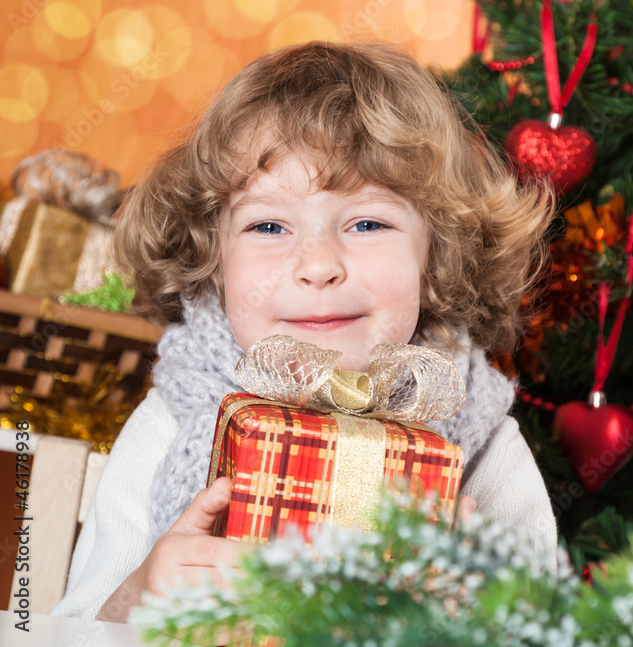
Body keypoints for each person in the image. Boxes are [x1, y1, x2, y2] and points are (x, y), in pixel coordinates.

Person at [52, 41, 558, 622]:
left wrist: (480, 620)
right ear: (212, 259)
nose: (318, 265)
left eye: (368, 222)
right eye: (268, 225)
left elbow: (545, 624)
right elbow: (69, 627)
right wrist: (137, 596)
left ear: (437, 255)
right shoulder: (170, 421)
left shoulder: (485, 442)